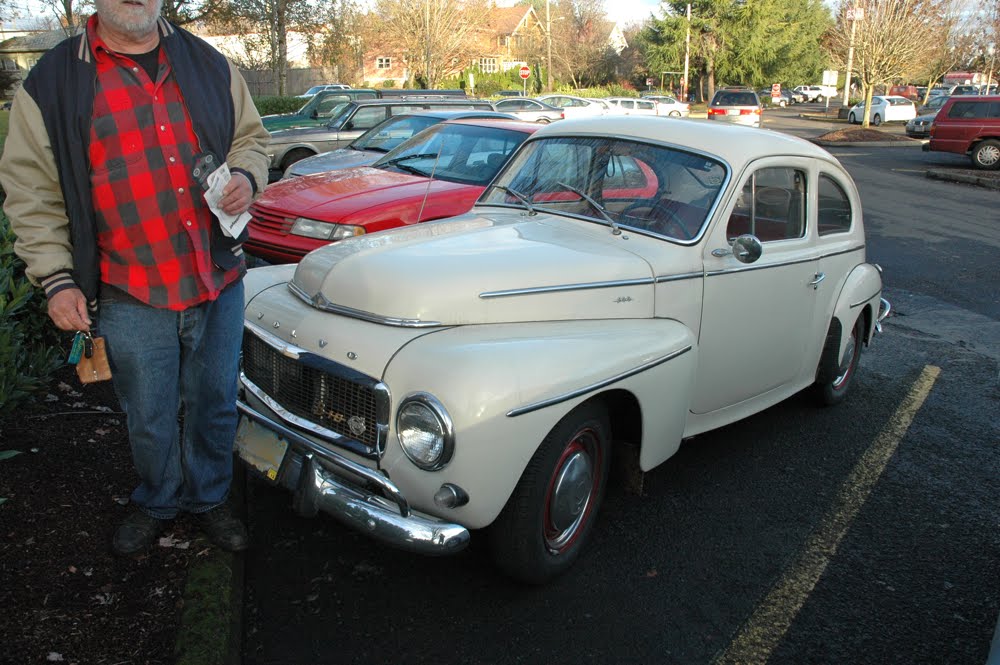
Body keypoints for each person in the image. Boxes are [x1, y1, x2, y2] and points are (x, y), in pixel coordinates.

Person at [0, 0, 270, 555]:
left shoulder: (209, 63)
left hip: (215, 278)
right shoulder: (53, 82)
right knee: (147, 412)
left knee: (215, 402)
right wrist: (56, 278)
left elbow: (251, 137)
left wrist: (246, 172)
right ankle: (157, 498)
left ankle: (209, 499)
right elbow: (32, 191)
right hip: (129, 289)